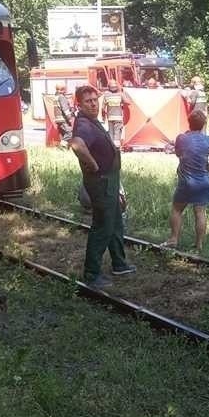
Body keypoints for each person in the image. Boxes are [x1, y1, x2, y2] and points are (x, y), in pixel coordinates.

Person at [70, 85, 135, 288]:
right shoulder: (83, 124)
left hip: (110, 180)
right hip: (101, 181)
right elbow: (77, 145)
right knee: (103, 226)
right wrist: (94, 165)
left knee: (115, 221)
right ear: (79, 104)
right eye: (88, 101)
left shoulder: (92, 121)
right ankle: (91, 273)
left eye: (94, 100)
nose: (93, 103)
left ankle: (119, 263)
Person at [161, 109, 209, 253]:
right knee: (200, 212)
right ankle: (198, 245)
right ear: (204, 124)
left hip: (187, 182)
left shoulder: (181, 138)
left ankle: (173, 239)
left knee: (177, 209)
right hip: (205, 181)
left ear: (189, 123)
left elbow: (179, 154)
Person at [100, 79, 124, 148]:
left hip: (110, 117)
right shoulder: (120, 95)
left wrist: (103, 117)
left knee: (111, 132)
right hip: (118, 117)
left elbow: (102, 108)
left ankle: (110, 146)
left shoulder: (106, 95)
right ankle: (116, 147)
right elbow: (127, 102)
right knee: (117, 132)